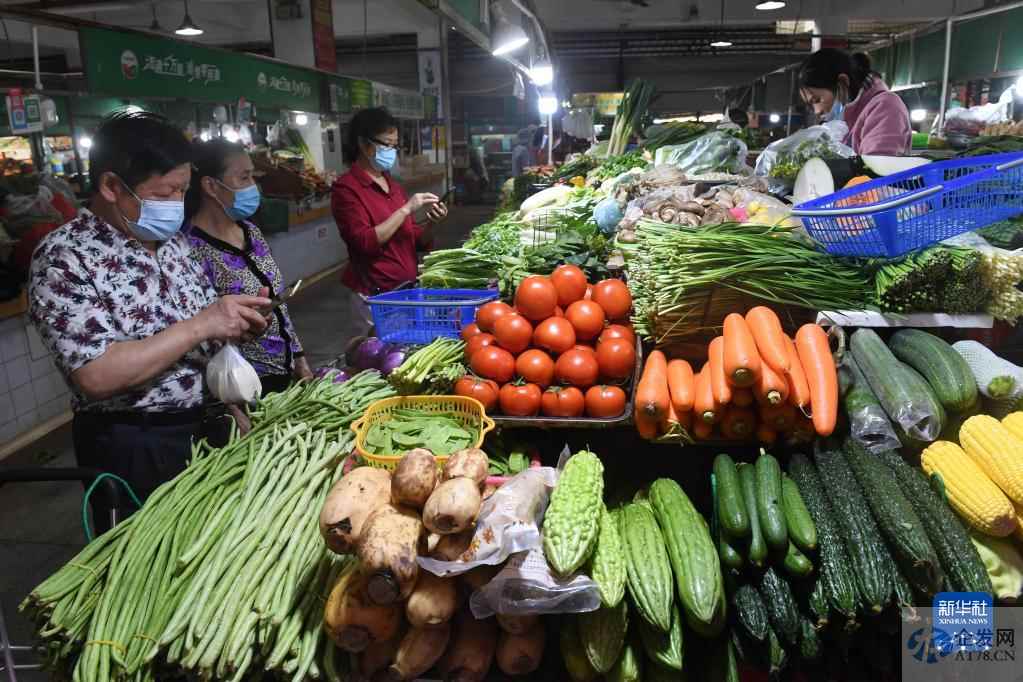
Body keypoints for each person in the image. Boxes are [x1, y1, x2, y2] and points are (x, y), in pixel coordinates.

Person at [28, 111, 270, 531]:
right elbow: (96, 374)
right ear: (111, 186)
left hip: (208, 428)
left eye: (183, 190)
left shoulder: (173, 245)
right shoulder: (64, 258)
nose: (176, 203)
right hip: (136, 446)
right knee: (153, 556)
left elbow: (199, 339)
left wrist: (233, 334)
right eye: (165, 192)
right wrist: (203, 324)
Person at [184, 138, 312, 396]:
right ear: (210, 186)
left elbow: (278, 303)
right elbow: (197, 335)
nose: (253, 186)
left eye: (253, 176)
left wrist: (299, 358)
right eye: (244, 177)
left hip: (283, 372)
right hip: (241, 384)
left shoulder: (251, 231)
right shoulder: (189, 248)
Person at [331, 107, 448, 333]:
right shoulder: (347, 189)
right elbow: (365, 242)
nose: (392, 152)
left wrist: (432, 223)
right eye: (387, 145)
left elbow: (415, 239)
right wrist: (406, 209)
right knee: (378, 351)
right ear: (363, 144)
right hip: (375, 296)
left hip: (406, 290)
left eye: (395, 146)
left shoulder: (392, 185)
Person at [799, 48, 912, 156]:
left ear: (842, 82)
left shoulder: (885, 107)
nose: (817, 111)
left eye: (817, 100)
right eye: (810, 105)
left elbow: (877, 165)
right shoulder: (843, 123)